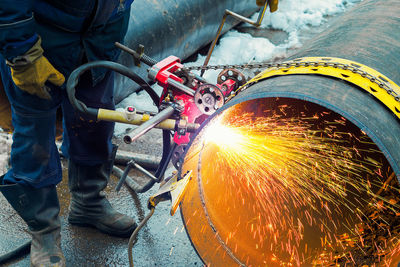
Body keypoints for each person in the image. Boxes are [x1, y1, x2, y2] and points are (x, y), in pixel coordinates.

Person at [0, 1, 136, 266]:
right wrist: (22, 52)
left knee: (95, 119)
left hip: (98, 36)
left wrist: (111, 32)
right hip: (40, 37)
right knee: (35, 137)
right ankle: (44, 231)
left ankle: (89, 202)